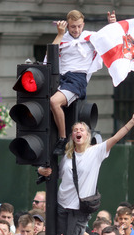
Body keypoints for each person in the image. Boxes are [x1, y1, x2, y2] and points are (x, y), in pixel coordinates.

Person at [37, 109, 134, 235]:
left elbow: (116, 138)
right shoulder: (68, 155)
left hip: (79, 208)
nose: (78, 132)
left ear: (87, 135)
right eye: (75, 130)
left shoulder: (96, 151)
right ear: (72, 136)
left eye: (81, 130)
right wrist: (41, 171)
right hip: (62, 205)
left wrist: (132, 121)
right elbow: (55, 173)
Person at [48, 9, 117, 153]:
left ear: (83, 24)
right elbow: (49, 57)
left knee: (54, 102)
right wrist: (60, 34)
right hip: (60, 78)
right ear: (68, 25)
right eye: (73, 26)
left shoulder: (90, 37)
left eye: (79, 26)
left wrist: (112, 24)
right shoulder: (63, 37)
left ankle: (62, 139)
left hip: (77, 79)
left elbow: (109, 39)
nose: (76, 30)